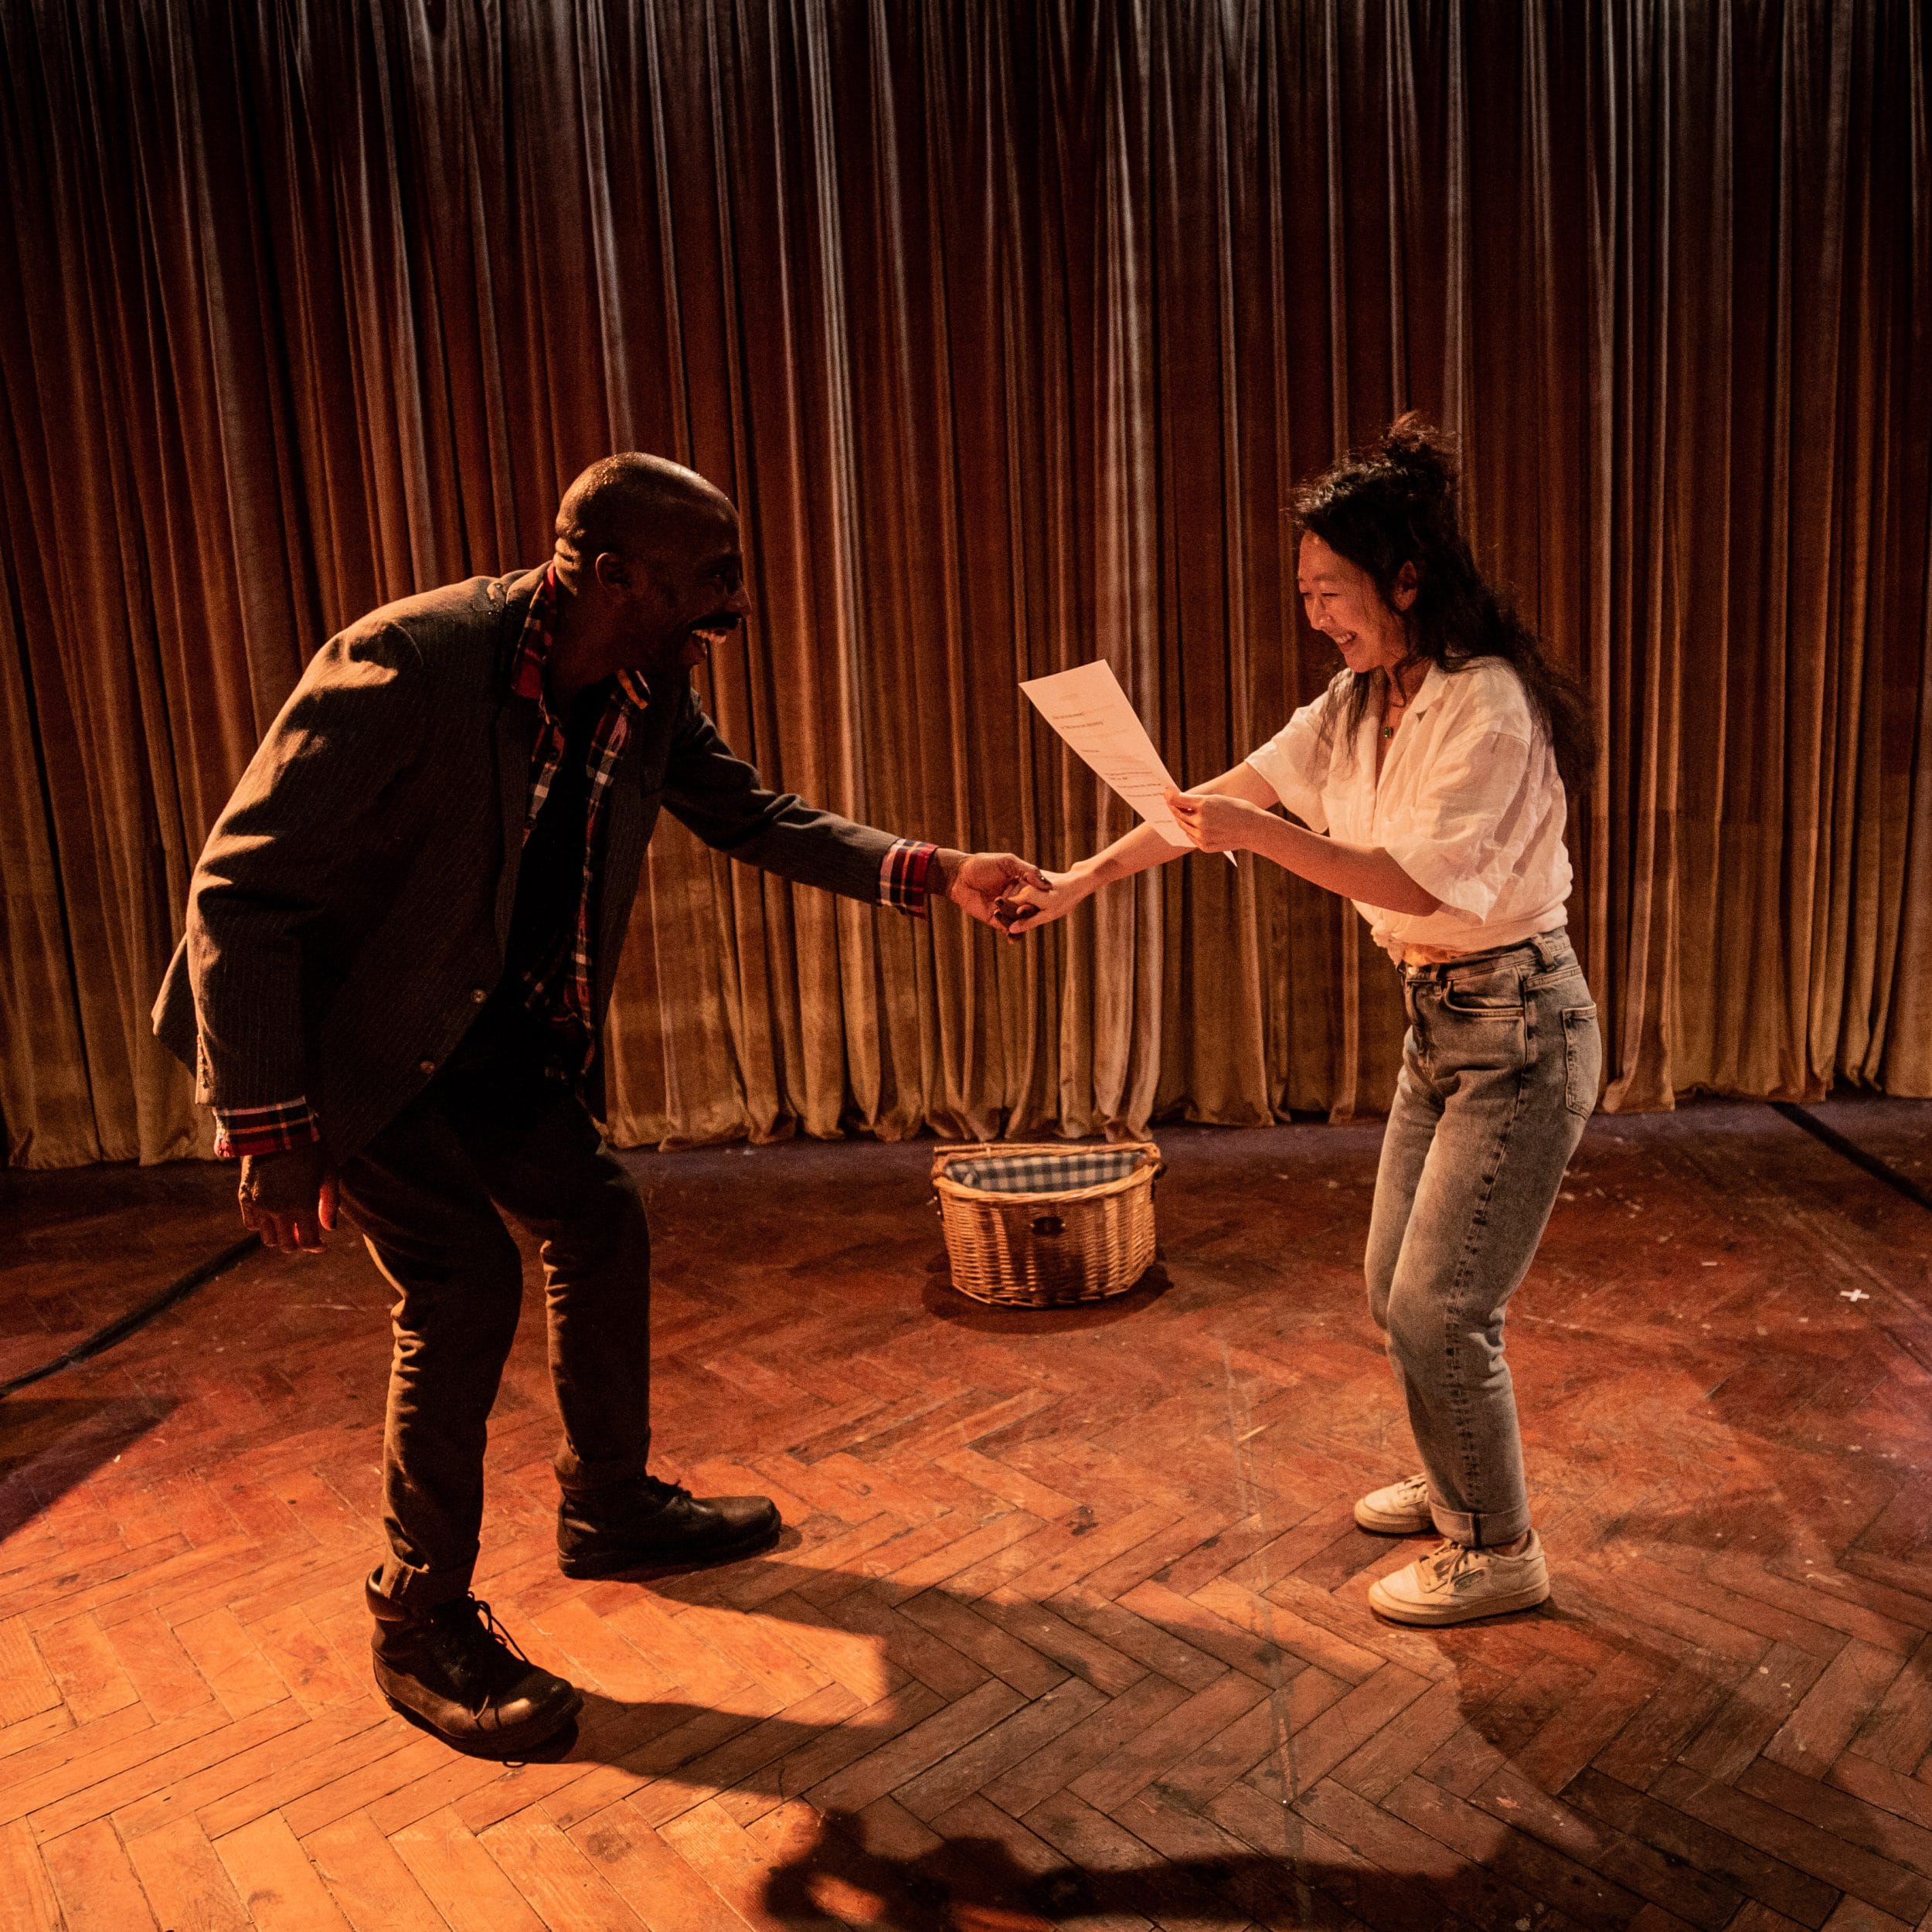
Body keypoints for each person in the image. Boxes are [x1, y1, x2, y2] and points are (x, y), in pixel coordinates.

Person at [152, 454, 1046, 1754]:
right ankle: (418, 1620)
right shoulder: (409, 662)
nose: (736, 605)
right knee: (464, 1287)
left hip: (487, 1030)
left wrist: (937, 871)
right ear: (610, 574)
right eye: (713, 577)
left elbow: (752, 815)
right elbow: (239, 893)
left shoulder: (645, 685)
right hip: (347, 1037)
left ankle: (610, 1507)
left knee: (597, 1216)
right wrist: (273, 1129)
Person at [1003, 417, 1600, 1626]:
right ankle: (1454, 1486)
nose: (1318, 614)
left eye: (1331, 590)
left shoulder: (1486, 707)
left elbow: (1415, 883)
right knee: (1393, 1284)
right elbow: (1217, 799)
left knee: (1445, 1307)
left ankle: (1498, 1547)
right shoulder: (1358, 701)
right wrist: (1075, 880)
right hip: (1441, 1020)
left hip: (1520, 1023)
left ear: (1406, 577)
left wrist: (1264, 839)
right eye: (1308, 594)